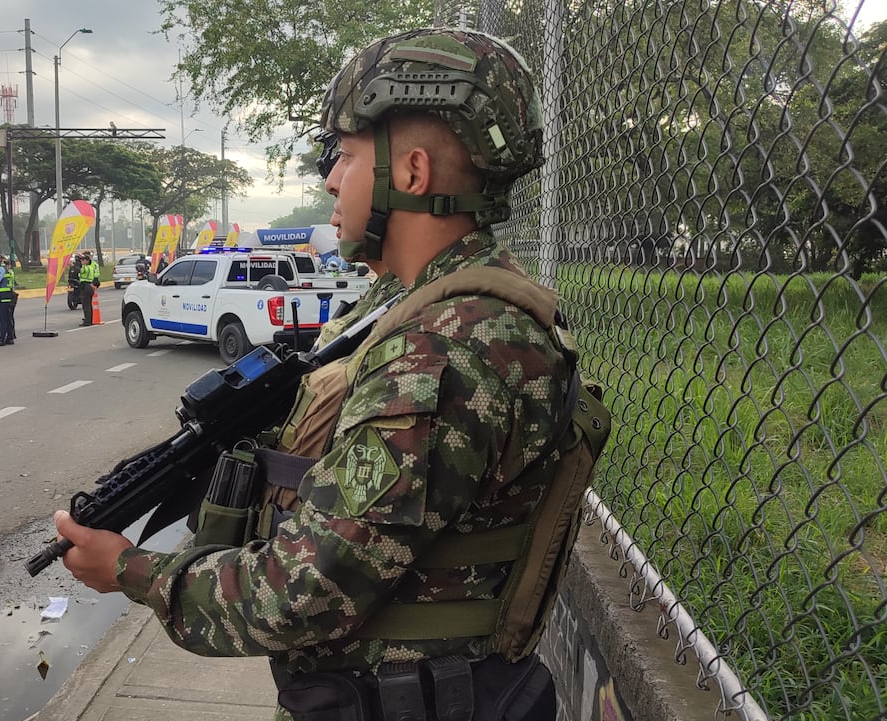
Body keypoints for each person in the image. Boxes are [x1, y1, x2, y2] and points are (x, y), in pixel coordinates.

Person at [55, 28, 582, 721]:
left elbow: (302, 594)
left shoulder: (444, 349)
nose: (331, 178)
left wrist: (133, 571)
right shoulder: (416, 304)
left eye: (350, 156)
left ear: (413, 173)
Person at [76, 250, 101, 326]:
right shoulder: (89, 266)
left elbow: (81, 271)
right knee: (88, 304)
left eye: (83, 259)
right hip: (89, 284)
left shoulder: (91, 265)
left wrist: (95, 280)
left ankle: (88, 320)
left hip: (89, 284)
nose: (82, 260)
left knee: (86, 304)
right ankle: (88, 318)